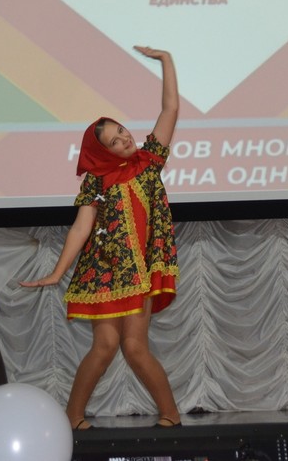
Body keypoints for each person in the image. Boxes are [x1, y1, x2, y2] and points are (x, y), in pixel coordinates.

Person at [21, 46, 182, 431]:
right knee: (106, 347)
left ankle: (171, 418)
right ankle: (72, 418)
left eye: (122, 132)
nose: (124, 139)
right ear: (102, 151)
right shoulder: (96, 181)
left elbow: (170, 109)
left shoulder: (148, 162)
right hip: (105, 273)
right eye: (114, 141)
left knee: (135, 348)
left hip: (138, 273)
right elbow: (81, 228)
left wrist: (166, 61)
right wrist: (57, 272)